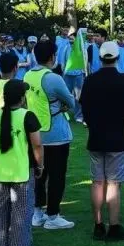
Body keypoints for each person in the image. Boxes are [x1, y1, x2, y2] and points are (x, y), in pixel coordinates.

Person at [81, 40, 124, 241]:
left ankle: (98, 224)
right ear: (118, 57)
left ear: (100, 58)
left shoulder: (90, 81)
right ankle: (114, 225)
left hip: (96, 137)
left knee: (97, 182)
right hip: (118, 138)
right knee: (114, 183)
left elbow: (84, 109)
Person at [0, 79, 43, 246]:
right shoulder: (27, 116)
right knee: (22, 209)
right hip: (21, 171)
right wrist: (40, 164)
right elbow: (37, 144)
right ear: (22, 98)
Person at [26, 40, 78, 230]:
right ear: (52, 57)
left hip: (35, 133)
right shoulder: (53, 78)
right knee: (57, 175)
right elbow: (71, 102)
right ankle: (53, 215)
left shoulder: (28, 75)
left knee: (39, 174)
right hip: (55, 134)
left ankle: (37, 212)